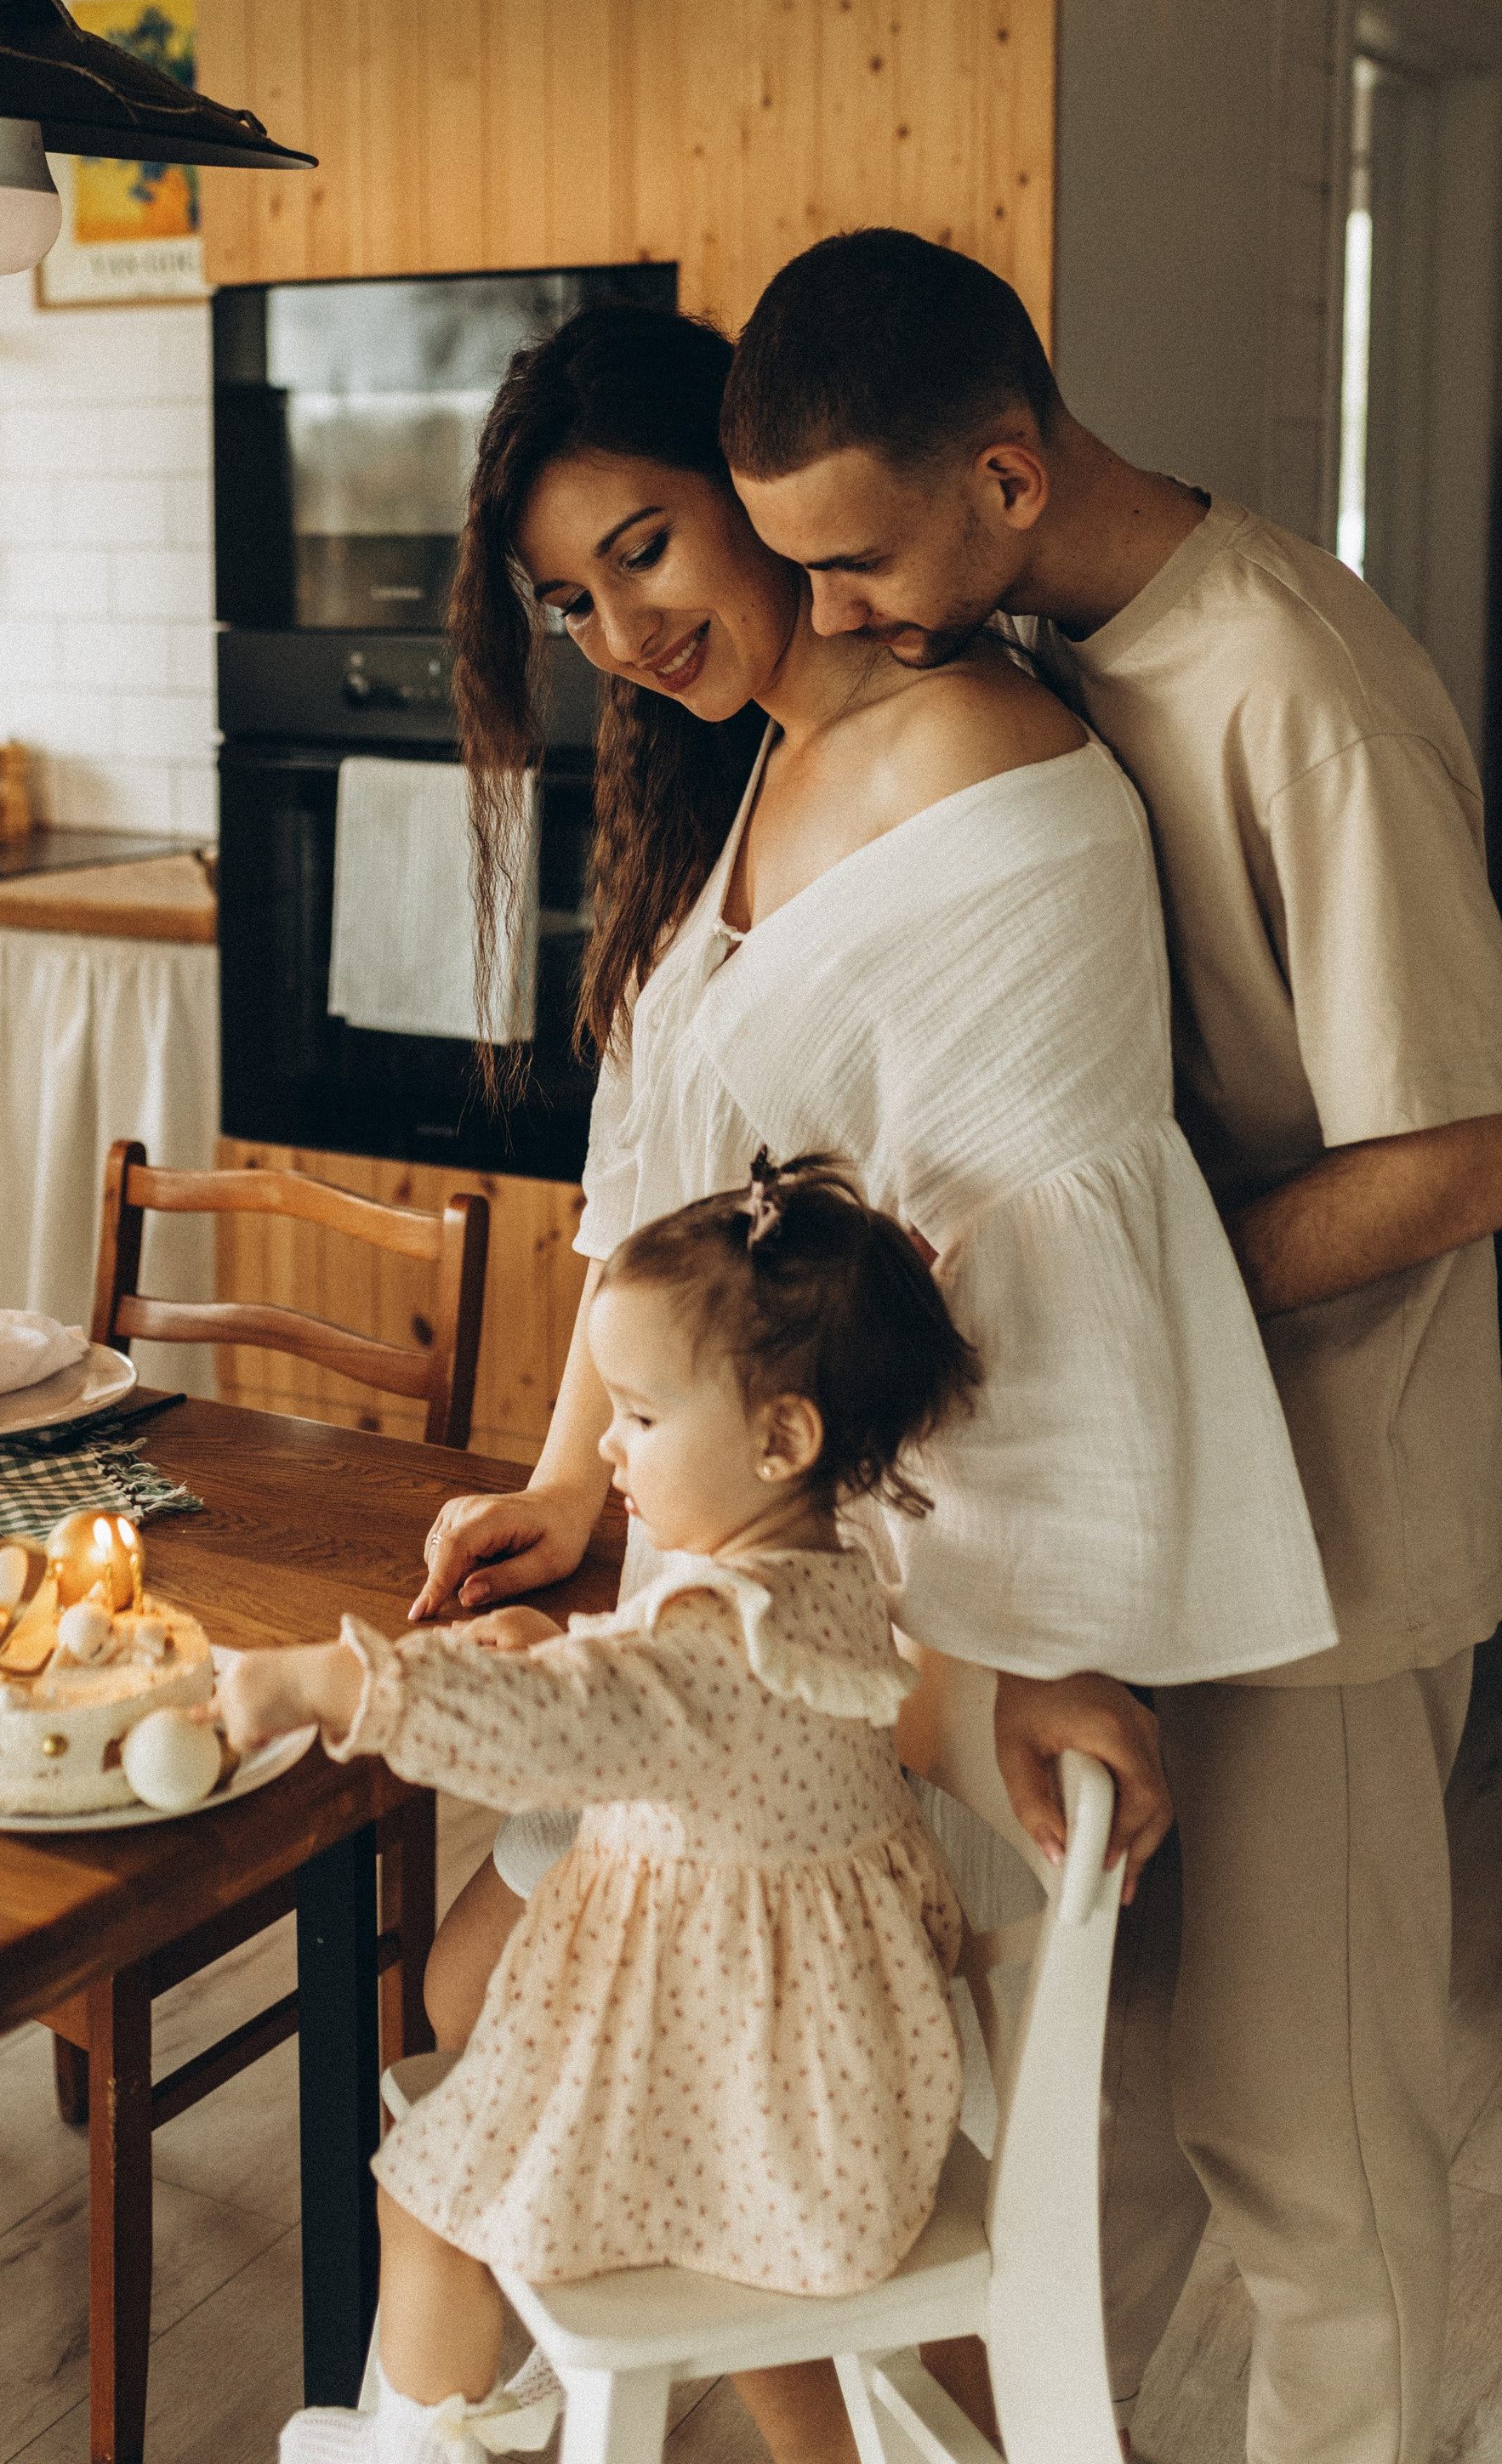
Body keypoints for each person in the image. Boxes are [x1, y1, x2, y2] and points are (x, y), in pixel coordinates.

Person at [719, 224, 1502, 2464]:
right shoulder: (1055, 650)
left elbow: (1457, 1150)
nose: (842, 622)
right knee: (1101, 2119)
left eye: (857, 564)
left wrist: (1111, 1295)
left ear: (1007, 473)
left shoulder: (1291, 681)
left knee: (1310, 2152)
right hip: (1169, 1504)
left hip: (1343, 1526)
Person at [416, 304, 1331, 2058]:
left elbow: (1049, 1277)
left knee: (603, 2066)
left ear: (753, 490)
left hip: (904, 1625)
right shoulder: (744, 771)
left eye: (643, 550)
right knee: (474, 2003)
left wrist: (1011, 1673)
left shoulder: (979, 762)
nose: (621, 633)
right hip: (740, 1593)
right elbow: (650, 1202)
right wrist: (563, 1486)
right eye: (571, 605)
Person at [228, 1158, 979, 2464]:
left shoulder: (718, 1641)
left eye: (635, 1415)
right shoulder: (820, 1588)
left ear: (782, 1438)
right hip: (830, 2111)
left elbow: (566, 1730)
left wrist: (321, 1679)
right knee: (496, 2142)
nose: (608, 1449)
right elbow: (638, 1706)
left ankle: (420, 2450)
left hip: (747, 2119)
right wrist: (553, 1650)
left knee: (427, 2199)